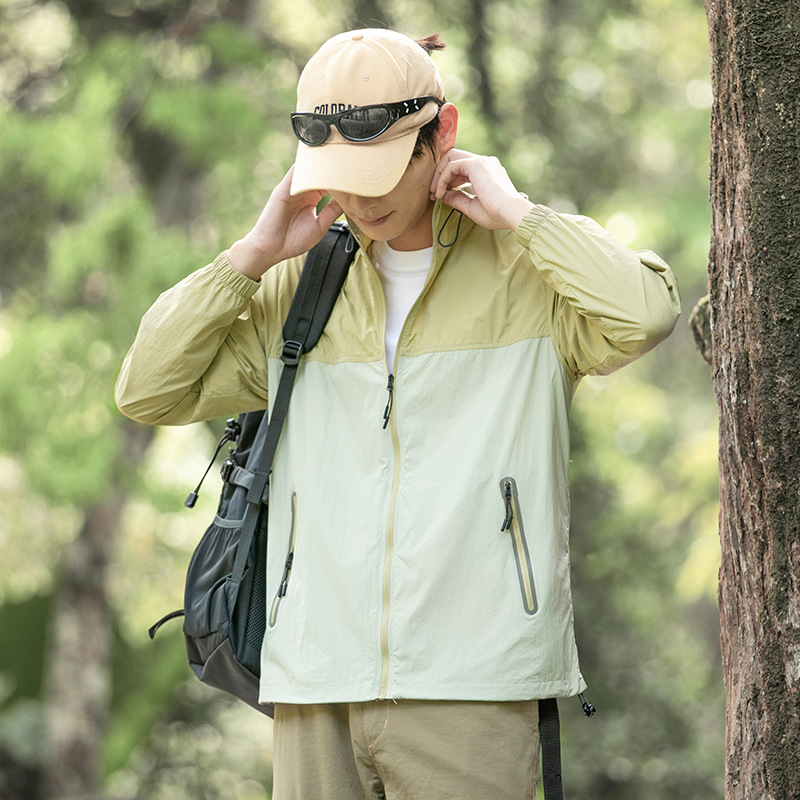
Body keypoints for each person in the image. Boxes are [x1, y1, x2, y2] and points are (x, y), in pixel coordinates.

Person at [116, 27, 681, 800]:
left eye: (378, 168)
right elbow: (147, 390)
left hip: (476, 683)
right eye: (340, 175)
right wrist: (251, 254)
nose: (361, 197)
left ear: (440, 136)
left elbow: (645, 313)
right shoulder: (298, 292)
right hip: (314, 684)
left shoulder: (528, 275)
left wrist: (522, 216)